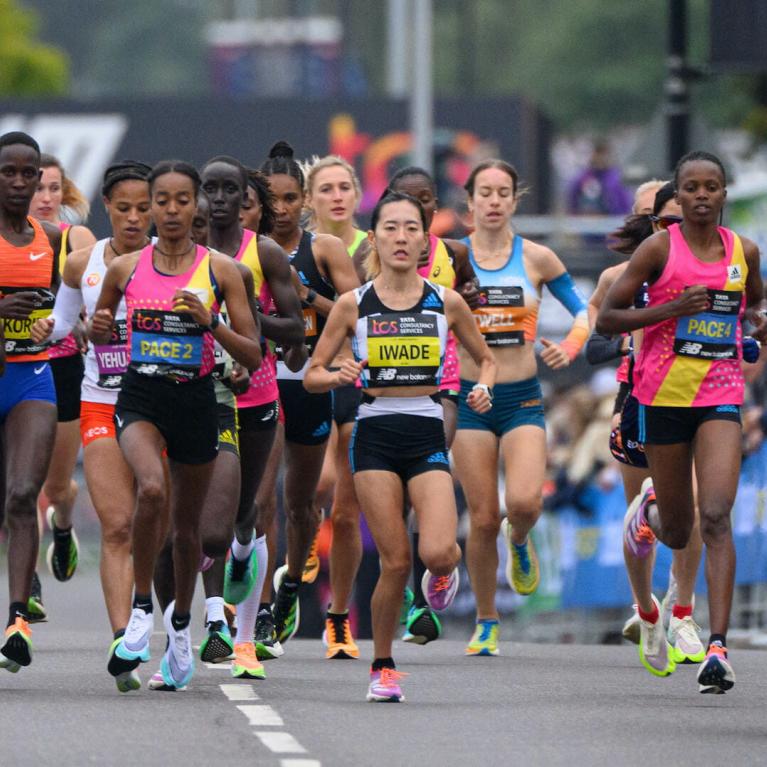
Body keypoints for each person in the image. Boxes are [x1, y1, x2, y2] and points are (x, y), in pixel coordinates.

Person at [305, 190, 495, 702]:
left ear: (424, 238)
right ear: (376, 237)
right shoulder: (354, 303)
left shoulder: (445, 300)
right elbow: (312, 376)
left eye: (412, 228)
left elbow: (485, 358)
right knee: (394, 561)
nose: (402, 238)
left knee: (439, 551)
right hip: (374, 431)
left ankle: (442, 574)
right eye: (391, 228)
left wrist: (483, 387)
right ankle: (383, 667)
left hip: (427, 428)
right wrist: (337, 373)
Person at [90, 160, 262, 691]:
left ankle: (181, 624)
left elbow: (253, 355)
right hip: (140, 398)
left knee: (188, 533)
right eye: (159, 200)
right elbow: (96, 335)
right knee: (151, 486)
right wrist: (95, 329)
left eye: (180, 201)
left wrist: (211, 323)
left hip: (195, 400)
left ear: (197, 207)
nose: (168, 211)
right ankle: (142, 607)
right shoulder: (125, 269)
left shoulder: (221, 271)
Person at [597, 150, 766, 693]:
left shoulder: (744, 251)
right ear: (680, 192)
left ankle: (717, 648)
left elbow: (755, 306)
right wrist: (671, 310)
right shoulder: (657, 249)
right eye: (690, 186)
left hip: (720, 396)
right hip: (661, 398)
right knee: (677, 529)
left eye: (710, 186)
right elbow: (608, 319)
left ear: (723, 194)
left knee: (716, 515)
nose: (700, 195)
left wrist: (754, 327)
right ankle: (646, 509)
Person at [452, 159, 589, 657]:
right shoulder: (451, 258)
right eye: (483, 192)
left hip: (523, 396)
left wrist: (569, 348)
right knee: (483, 515)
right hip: (471, 400)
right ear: (469, 201)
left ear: (514, 200)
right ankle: (487, 620)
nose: (492, 201)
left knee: (524, 502)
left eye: (502, 192)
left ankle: (521, 537)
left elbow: (583, 312)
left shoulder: (537, 258)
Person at [31, 160, 153, 691]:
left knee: (162, 528)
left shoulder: (181, 266)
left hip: (160, 407)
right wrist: (61, 328)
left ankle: (165, 621)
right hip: (101, 401)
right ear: (106, 206)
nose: (133, 218)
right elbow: (60, 327)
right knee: (118, 525)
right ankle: (123, 639)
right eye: (123, 208)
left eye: (143, 208)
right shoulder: (82, 264)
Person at [189, 154, 303, 679]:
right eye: (208, 189)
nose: (218, 199)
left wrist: (248, 317)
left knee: (248, 512)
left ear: (245, 198)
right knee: (198, 517)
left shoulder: (266, 253)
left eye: (229, 189)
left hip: (257, 396)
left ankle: (243, 601)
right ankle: (223, 636)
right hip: (199, 396)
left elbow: (295, 331)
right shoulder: (178, 253)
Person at [588, 181, 706, 664]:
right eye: (659, 221)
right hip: (637, 395)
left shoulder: (711, 272)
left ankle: (683, 610)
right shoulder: (619, 277)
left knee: (692, 508)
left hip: (696, 395)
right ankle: (645, 608)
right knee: (643, 514)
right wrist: (635, 335)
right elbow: (595, 344)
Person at [259, 141, 359, 649]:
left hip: (311, 383)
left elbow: (360, 311)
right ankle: (245, 603)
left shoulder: (325, 249)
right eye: (271, 199)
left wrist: (306, 297)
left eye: (290, 198)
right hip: (260, 382)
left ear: (304, 202)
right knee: (259, 501)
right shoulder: (245, 250)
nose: (280, 209)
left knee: (300, 505)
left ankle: (289, 589)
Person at [386, 165, 479, 646]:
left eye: (425, 200)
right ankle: (406, 588)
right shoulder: (373, 254)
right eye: (405, 199)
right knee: (395, 496)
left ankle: (431, 584)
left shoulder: (454, 253)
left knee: (428, 472)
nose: (416, 208)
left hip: (440, 387)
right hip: (384, 391)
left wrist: (467, 299)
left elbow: (471, 296)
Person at [0, 131, 62, 673]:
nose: (21, 183)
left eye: (30, 174)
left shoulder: (53, 239)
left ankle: (17, 619)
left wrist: (69, 326)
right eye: (9, 173)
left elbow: (69, 311)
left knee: (23, 493)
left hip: (31, 379)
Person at [303, 154, 369, 658]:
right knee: (316, 484)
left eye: (345, 186)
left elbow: (366, 315)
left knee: (347, 515)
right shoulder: (294, 247)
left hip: (353, 374)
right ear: (310, 200)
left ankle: (339, 616)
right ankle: (304, 529)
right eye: (326, 189)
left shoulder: (375, 244)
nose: (338, 196)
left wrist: (314, 300)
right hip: (303, 374)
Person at [29, 155, 96, 616]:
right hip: (16, 369)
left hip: (65, 371)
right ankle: (27, 584)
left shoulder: (77, 241)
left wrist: (86, 325)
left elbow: (97, 305)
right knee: (20, 486)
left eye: (55, 188)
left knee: (56, 487)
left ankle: (65, 524)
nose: (46, 198)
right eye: (38, 188)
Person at [567, 138, 632, 216]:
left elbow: (625, 205)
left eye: (604, 154)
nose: (601, 158)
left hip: (611, 223)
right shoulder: (581, 178)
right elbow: (572, 202)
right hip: (585, 224)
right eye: (598, 153)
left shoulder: (617, 179)